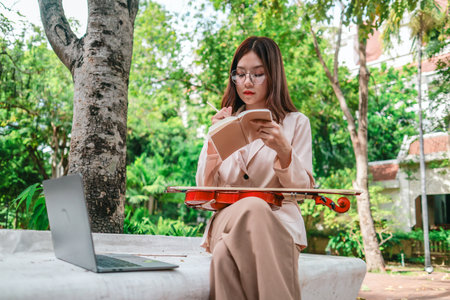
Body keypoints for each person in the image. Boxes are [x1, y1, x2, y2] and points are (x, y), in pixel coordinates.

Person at [196, 36, 315, 300]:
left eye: (258, 74)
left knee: (224, 260)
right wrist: (214, 145)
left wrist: (284, 153)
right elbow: (204, 194)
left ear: (273, 76)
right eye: (240, 74)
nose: (247, 82)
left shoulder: (296, 124)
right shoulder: (221, 123)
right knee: (253, 206)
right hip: (227, 220)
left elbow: (304, 193)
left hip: (280, 225)